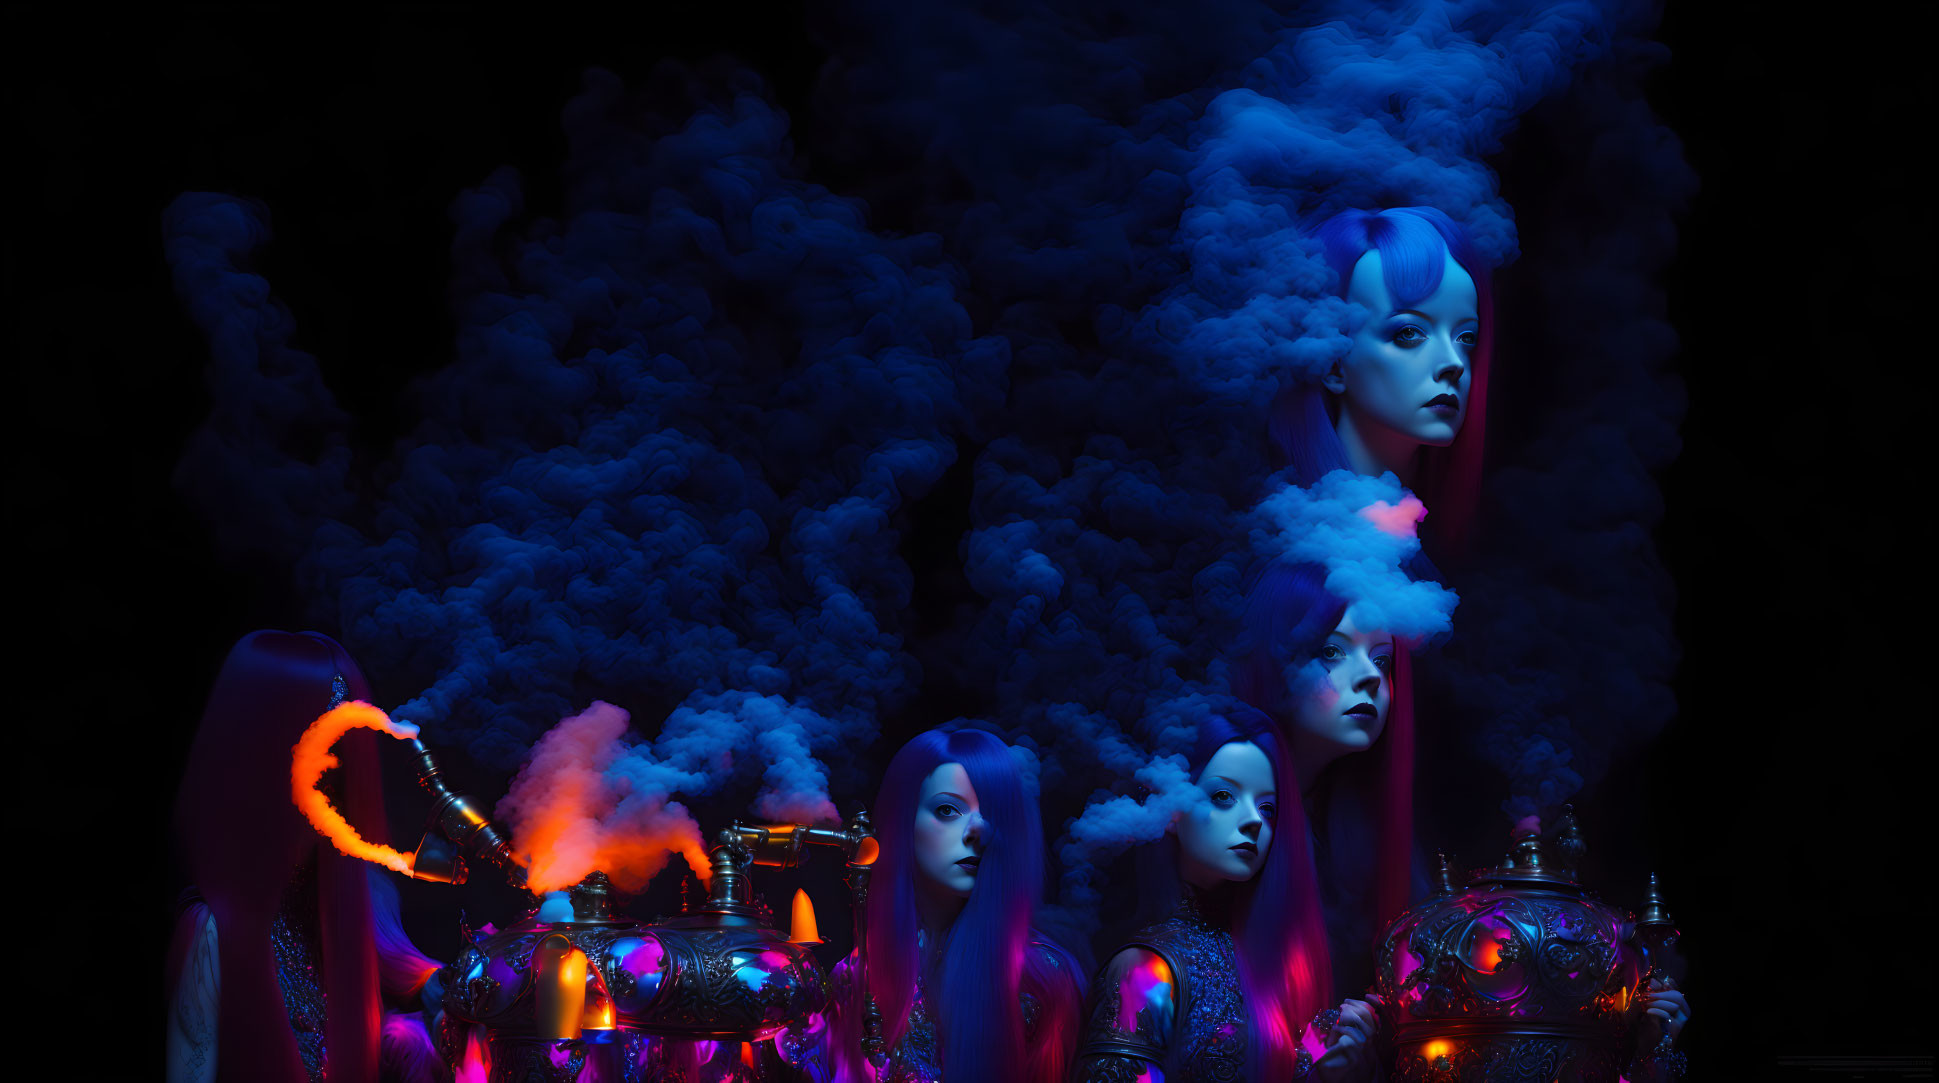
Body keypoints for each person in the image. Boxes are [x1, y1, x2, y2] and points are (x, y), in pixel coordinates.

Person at [166, 630, 445, 1083]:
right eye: (312, 768)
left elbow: (407, 991)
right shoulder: (213, 934)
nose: (328, 800)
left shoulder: (358, 906)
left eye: (339, 768)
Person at [1073, 705, 1378, 1082]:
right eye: (1223, 796)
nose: (1253, 820)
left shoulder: (1271, 958)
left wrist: (1328, 1066)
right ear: (1170, 809)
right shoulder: (1145, 970)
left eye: (1268, 808)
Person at [823, 727, 1082, 1082]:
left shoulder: (1042, 976)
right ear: (903, 821)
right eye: (948, 810)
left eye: (994, 814)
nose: (978, 830)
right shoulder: (858, 975)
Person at [1270, 206, 1492, 552]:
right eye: (1408, 333)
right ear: (1332, 363)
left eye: (1466, 338)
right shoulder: (1333, 573)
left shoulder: (1430, 541)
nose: (1454, 363)